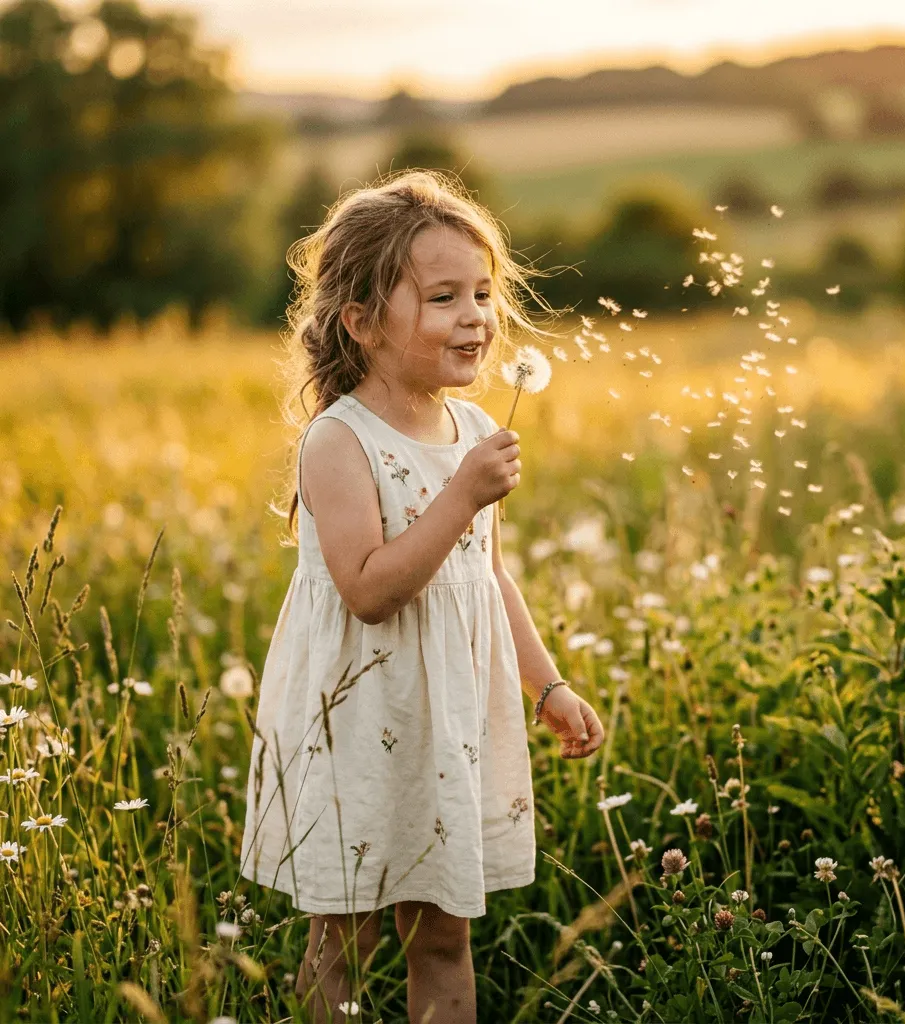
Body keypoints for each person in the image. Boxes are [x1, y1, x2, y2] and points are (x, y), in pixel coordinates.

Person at [239, 169, 606, 1023]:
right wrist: (460, 497)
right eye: (443, 296)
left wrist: (546, 685)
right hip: (360, 718)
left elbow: (486, 576)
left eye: (483, 293)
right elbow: (368, 590)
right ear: (362, 323)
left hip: (447, 724)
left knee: (443, 936)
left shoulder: (474, 431)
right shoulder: (339, 441)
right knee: (350, 940)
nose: (476, 315)